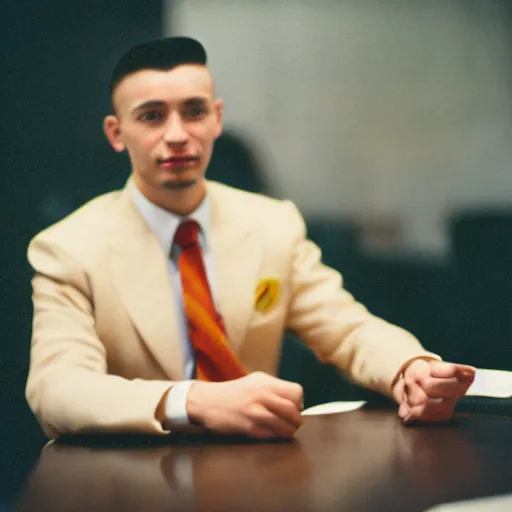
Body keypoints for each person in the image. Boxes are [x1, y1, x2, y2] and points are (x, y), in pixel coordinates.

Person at [26, 36, 475, 440]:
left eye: (194, 111)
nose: (178, 135)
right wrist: (191, 401)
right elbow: (58, 387)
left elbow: (347, 328)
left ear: (217, 119)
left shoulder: (272, 223)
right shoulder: (69, 247)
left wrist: (410, 368)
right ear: (116, 133)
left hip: (258, 463)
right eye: (152, 116)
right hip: (135, 476)